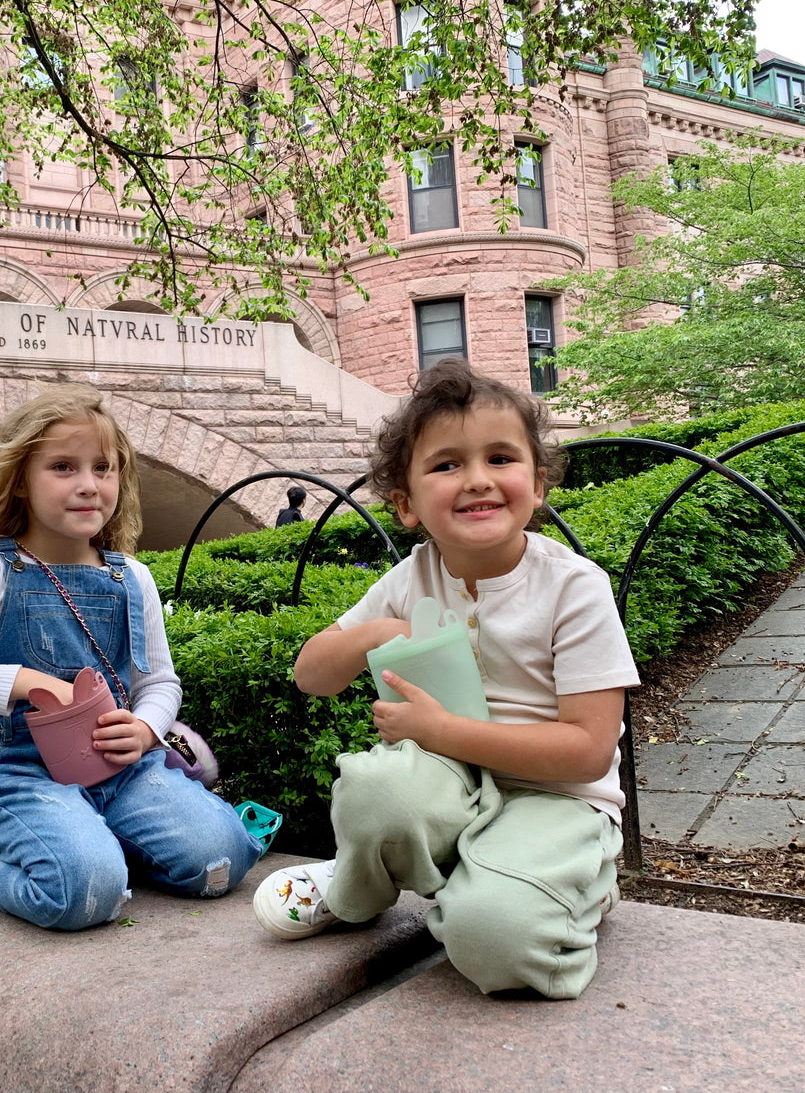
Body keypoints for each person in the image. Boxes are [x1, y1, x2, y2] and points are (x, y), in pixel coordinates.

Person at [252, 359, 639, 999]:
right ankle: (358, 888)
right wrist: (375, 635)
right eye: (446, 464)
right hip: (451, 788)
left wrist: (441, 730)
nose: (478, 480)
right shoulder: (411, 579)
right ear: (405, 503)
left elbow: (587, 750)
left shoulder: (574, 587)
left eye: (500, 458)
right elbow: (311, 675)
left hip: (560, 800)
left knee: (493, 941)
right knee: (376, 789)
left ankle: (553, 886)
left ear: (537, 484)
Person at [0, 384, 262, 930]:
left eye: (104, 468)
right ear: (19, 481)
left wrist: (145, 727)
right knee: (85, 895)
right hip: (19, 771)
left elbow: (160, 682)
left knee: (222, 861)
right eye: (63, 467)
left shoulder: (132, 577)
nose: (89, 485)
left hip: (123, 769)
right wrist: (22, 680)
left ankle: (95, 843)